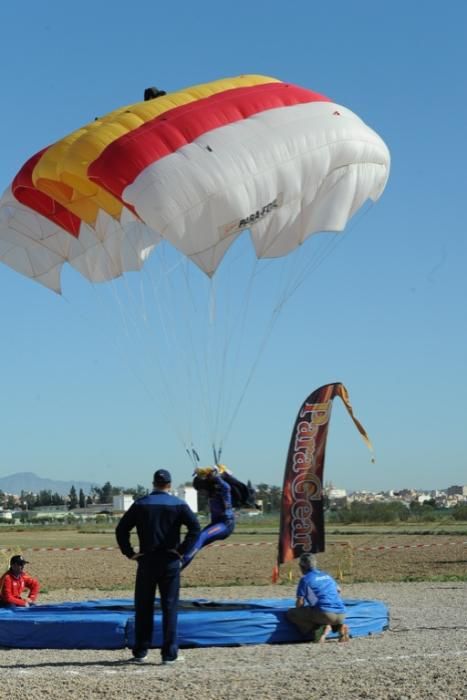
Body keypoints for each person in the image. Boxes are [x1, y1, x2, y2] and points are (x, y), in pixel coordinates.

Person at [115, 469, 200, 665]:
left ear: (153, 483)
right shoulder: (179, 505)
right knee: (169, 606)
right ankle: (169, 653)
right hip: (170, 561)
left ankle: (141, 651)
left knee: (143, 606)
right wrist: (182, 551)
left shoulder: (141, 504)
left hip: (146, 561)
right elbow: (195, 529)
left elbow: (121, 530)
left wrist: (130, 552)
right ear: (169, 485)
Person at [286, 553, 350, 643]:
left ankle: (319, 630)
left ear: (302, 566)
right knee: (319, 612)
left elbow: (300, 602)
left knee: (291, 613)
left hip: (325, 613)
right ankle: (339, 626)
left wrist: (300, 611)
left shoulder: (305, 579)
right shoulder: (326, 575)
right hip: (341, 613)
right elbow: (338, 590)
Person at [181, 466, 235, 570]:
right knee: (196, 541)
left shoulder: (222, 492)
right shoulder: (212, 494)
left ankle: (180, 564)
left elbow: (227, 487)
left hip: (226, 524)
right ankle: (178, 561)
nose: (200, 493)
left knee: (202, 536)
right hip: (216, 524)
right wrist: (201, 474)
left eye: (200, 490)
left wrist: (216, 477)